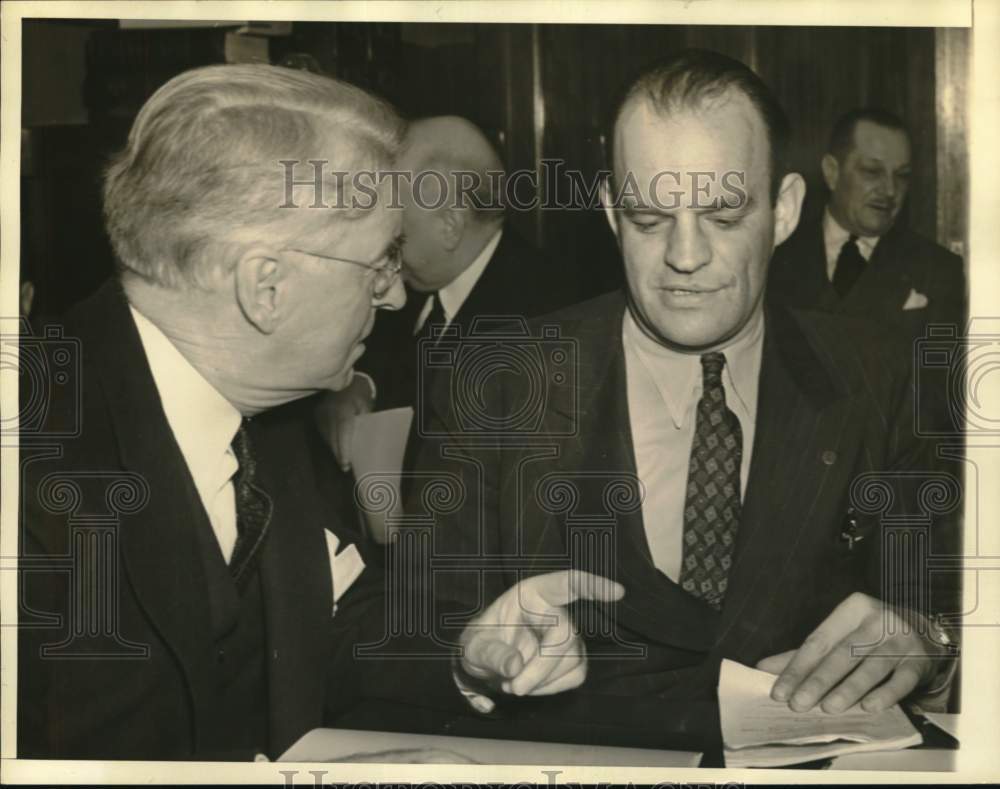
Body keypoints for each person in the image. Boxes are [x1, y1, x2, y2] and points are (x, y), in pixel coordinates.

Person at [16, 64, 622, 761]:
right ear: (265, 287)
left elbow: (322, 633)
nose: (395, 297)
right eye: (378, 261)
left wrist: (466, 650)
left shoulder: (265, 416)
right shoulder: (33, 465)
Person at [407, 50, 959, 751]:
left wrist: (929, 640)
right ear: (611, 213)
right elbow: (388, 626)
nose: (685, 255)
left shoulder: (883, 376)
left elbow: (950, 598)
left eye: (724, 216)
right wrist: (467, 658)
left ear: (784, 210)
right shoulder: (500, 376)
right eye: (648, 217)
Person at [316, 115, 581, 472]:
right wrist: (359, 383)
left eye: (395, 234)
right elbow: (390, 350)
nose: (379, 252)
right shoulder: (422, 276)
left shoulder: (546, 323)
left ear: (449, 226)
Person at [768, 108, 967, 433]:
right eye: (872, 172)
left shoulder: (940, 270)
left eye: (901, 176)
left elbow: (941, 403)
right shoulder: (776, 256)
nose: (889, 190)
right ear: (832, 173)